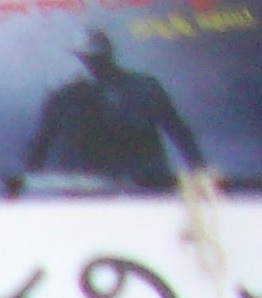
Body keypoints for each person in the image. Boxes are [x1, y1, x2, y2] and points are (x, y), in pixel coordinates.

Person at [24, 31, 205, 192]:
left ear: (109, 55)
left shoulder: (144, 87)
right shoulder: (65, 96)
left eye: (98, 57)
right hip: (90, 188)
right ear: (81, 58)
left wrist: (199, 169)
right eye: (89, 57)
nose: (94, 63)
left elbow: (179, 131)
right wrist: (26, 181)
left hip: (145, 184)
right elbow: (42, 142)